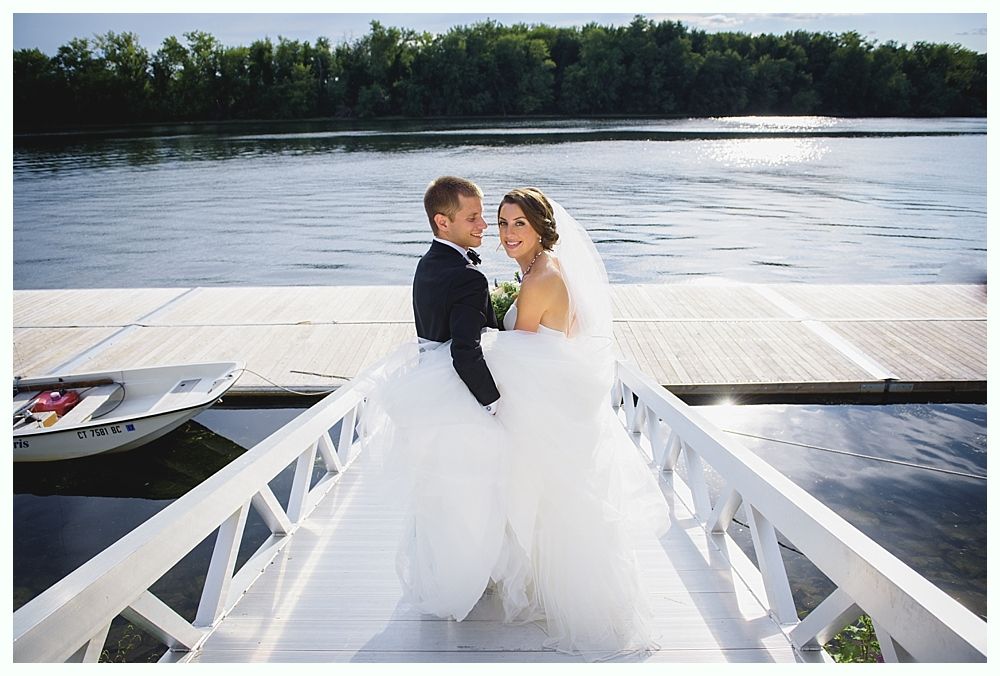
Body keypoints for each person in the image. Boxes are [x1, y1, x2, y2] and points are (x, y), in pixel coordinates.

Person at [359, 185, 668, 659]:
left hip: (519, 396)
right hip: (517, 392)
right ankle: (500, 571)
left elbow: (509, 345)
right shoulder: (509, 273)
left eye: (513, 223)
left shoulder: (522, 275)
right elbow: (494, 345)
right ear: (445, 223)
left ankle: (525, 577)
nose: (499, 231)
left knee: (521, 488)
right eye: (493, 222)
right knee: (509, 487)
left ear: (542, 227)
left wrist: (492, 389)